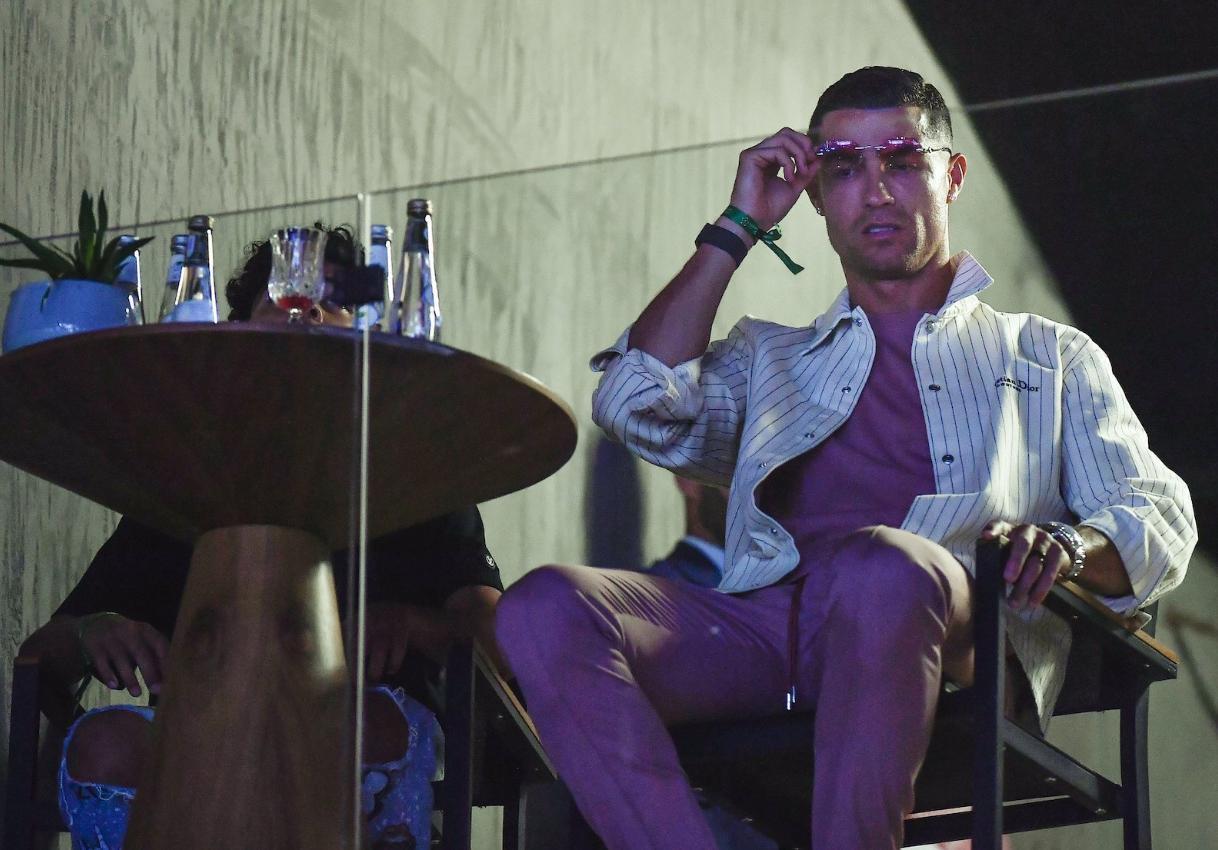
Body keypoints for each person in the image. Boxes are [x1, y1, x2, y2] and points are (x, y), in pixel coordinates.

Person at [494, 67, 1196, 849]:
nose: (877, 190)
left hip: (956, 632)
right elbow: (634, 402)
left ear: (952, 176)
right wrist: (738, 224)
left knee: (883, 565)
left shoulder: (1047, 355)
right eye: (844, 167)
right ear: (818, 195)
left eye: (903, 160)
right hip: (773, 635)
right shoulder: (771, 358)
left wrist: (1070, 545)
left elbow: (1159, 514)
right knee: (541, 608)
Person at [18, 224, 505, 850]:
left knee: (359, 724)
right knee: (105, 742)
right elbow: (43, 653)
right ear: (239, 331)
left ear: (367, 331)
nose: (306, 312)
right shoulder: (186, 480)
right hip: (199, 732)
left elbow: (495, 633)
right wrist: (94, 631)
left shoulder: (413, 471)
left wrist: (412, 625)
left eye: (331, 300)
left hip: (358, 716)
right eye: (283, 295)